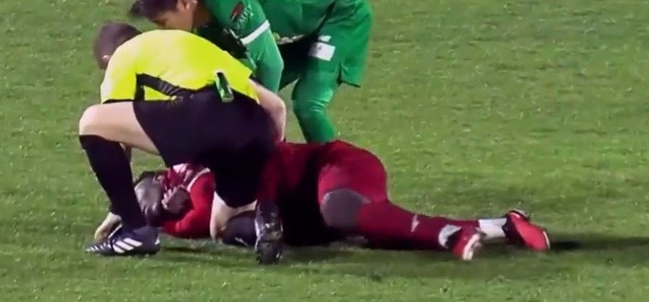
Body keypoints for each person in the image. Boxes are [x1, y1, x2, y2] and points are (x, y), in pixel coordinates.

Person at [103, 141, 551, 261]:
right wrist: (163, 212)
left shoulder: (190, 153)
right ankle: (501, 225)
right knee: (371, 231)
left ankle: (452, 234)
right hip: (305, 213)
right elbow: (174, 208)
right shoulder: (188, 218)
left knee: (345, 212)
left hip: (332, 166)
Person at [80, 22, 286, 258]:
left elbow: (114, 136)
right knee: (220, 228)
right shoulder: (189, 43)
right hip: (254, 126)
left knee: (91, 121)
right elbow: (276, 106)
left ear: (108, 58)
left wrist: (120, 210)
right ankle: (263, 223)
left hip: (204, 115)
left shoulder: (124, 54)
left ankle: (135, 233)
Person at [128, 0, 373, 143]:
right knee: (248, 94)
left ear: (184, 3)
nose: (163, 31)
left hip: (341, 14)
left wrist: (263, 118)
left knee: (307, 104)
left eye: (162, 22)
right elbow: (229, 77)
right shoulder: (204, 26)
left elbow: (271, 64)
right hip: (302, 29)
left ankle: (342, 176)